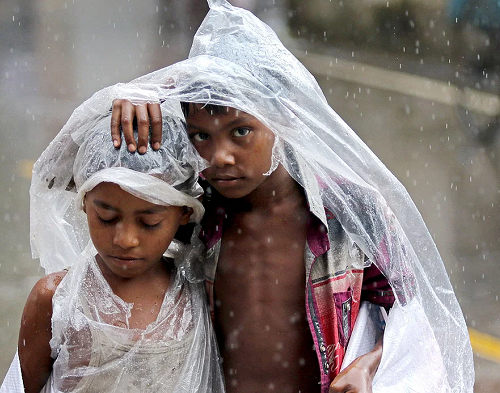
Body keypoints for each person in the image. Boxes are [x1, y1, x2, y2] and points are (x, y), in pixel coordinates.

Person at [108, 1, 475, 392]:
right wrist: (141, 95)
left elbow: (410, 317)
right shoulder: (195, 212)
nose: (220, 157)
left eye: (241, 131)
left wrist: (367, 366)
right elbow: (80, 183)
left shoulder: (348, 212)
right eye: (202, 135)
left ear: (283, 118)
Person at [0, 95, 225, 393]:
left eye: (149, 222)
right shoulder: (58, 301)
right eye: (106, 217)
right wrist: (113, 101)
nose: (125, 240)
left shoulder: (201, 290)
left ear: (185, 212)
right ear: (84, 203)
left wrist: (156, 93)